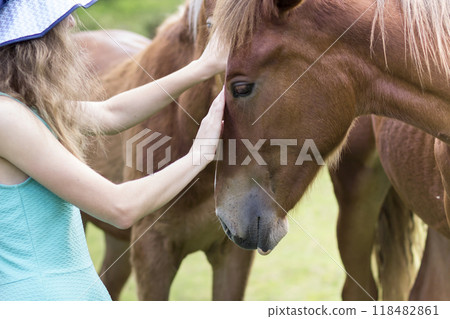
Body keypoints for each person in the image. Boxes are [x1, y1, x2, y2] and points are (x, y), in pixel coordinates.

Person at [0, 0, 227, 301]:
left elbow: (112, 113)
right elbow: (120, 208)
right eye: (59, 18)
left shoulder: (21, 108)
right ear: (29, 40)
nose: (71, 24)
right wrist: (199, 155)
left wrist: (202, 67)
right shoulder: (7, 118)